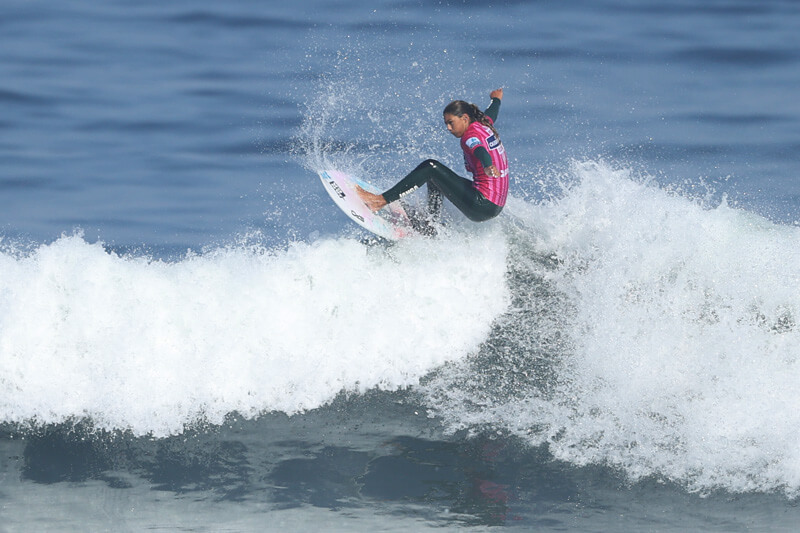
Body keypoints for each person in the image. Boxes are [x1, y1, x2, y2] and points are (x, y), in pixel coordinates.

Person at [357, 89, 509, 228]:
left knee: (430, 167)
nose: (448, 128)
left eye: (451, 123)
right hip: (494, 205)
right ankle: (431, 224)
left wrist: (487, 165)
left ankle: (379, 201)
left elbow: (480, 150)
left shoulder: (470, 137)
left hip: (482, 205)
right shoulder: (483, 124)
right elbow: (492, 113)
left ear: (464, 118)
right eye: (446, 124)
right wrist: (496, 99)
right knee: (436, 178)